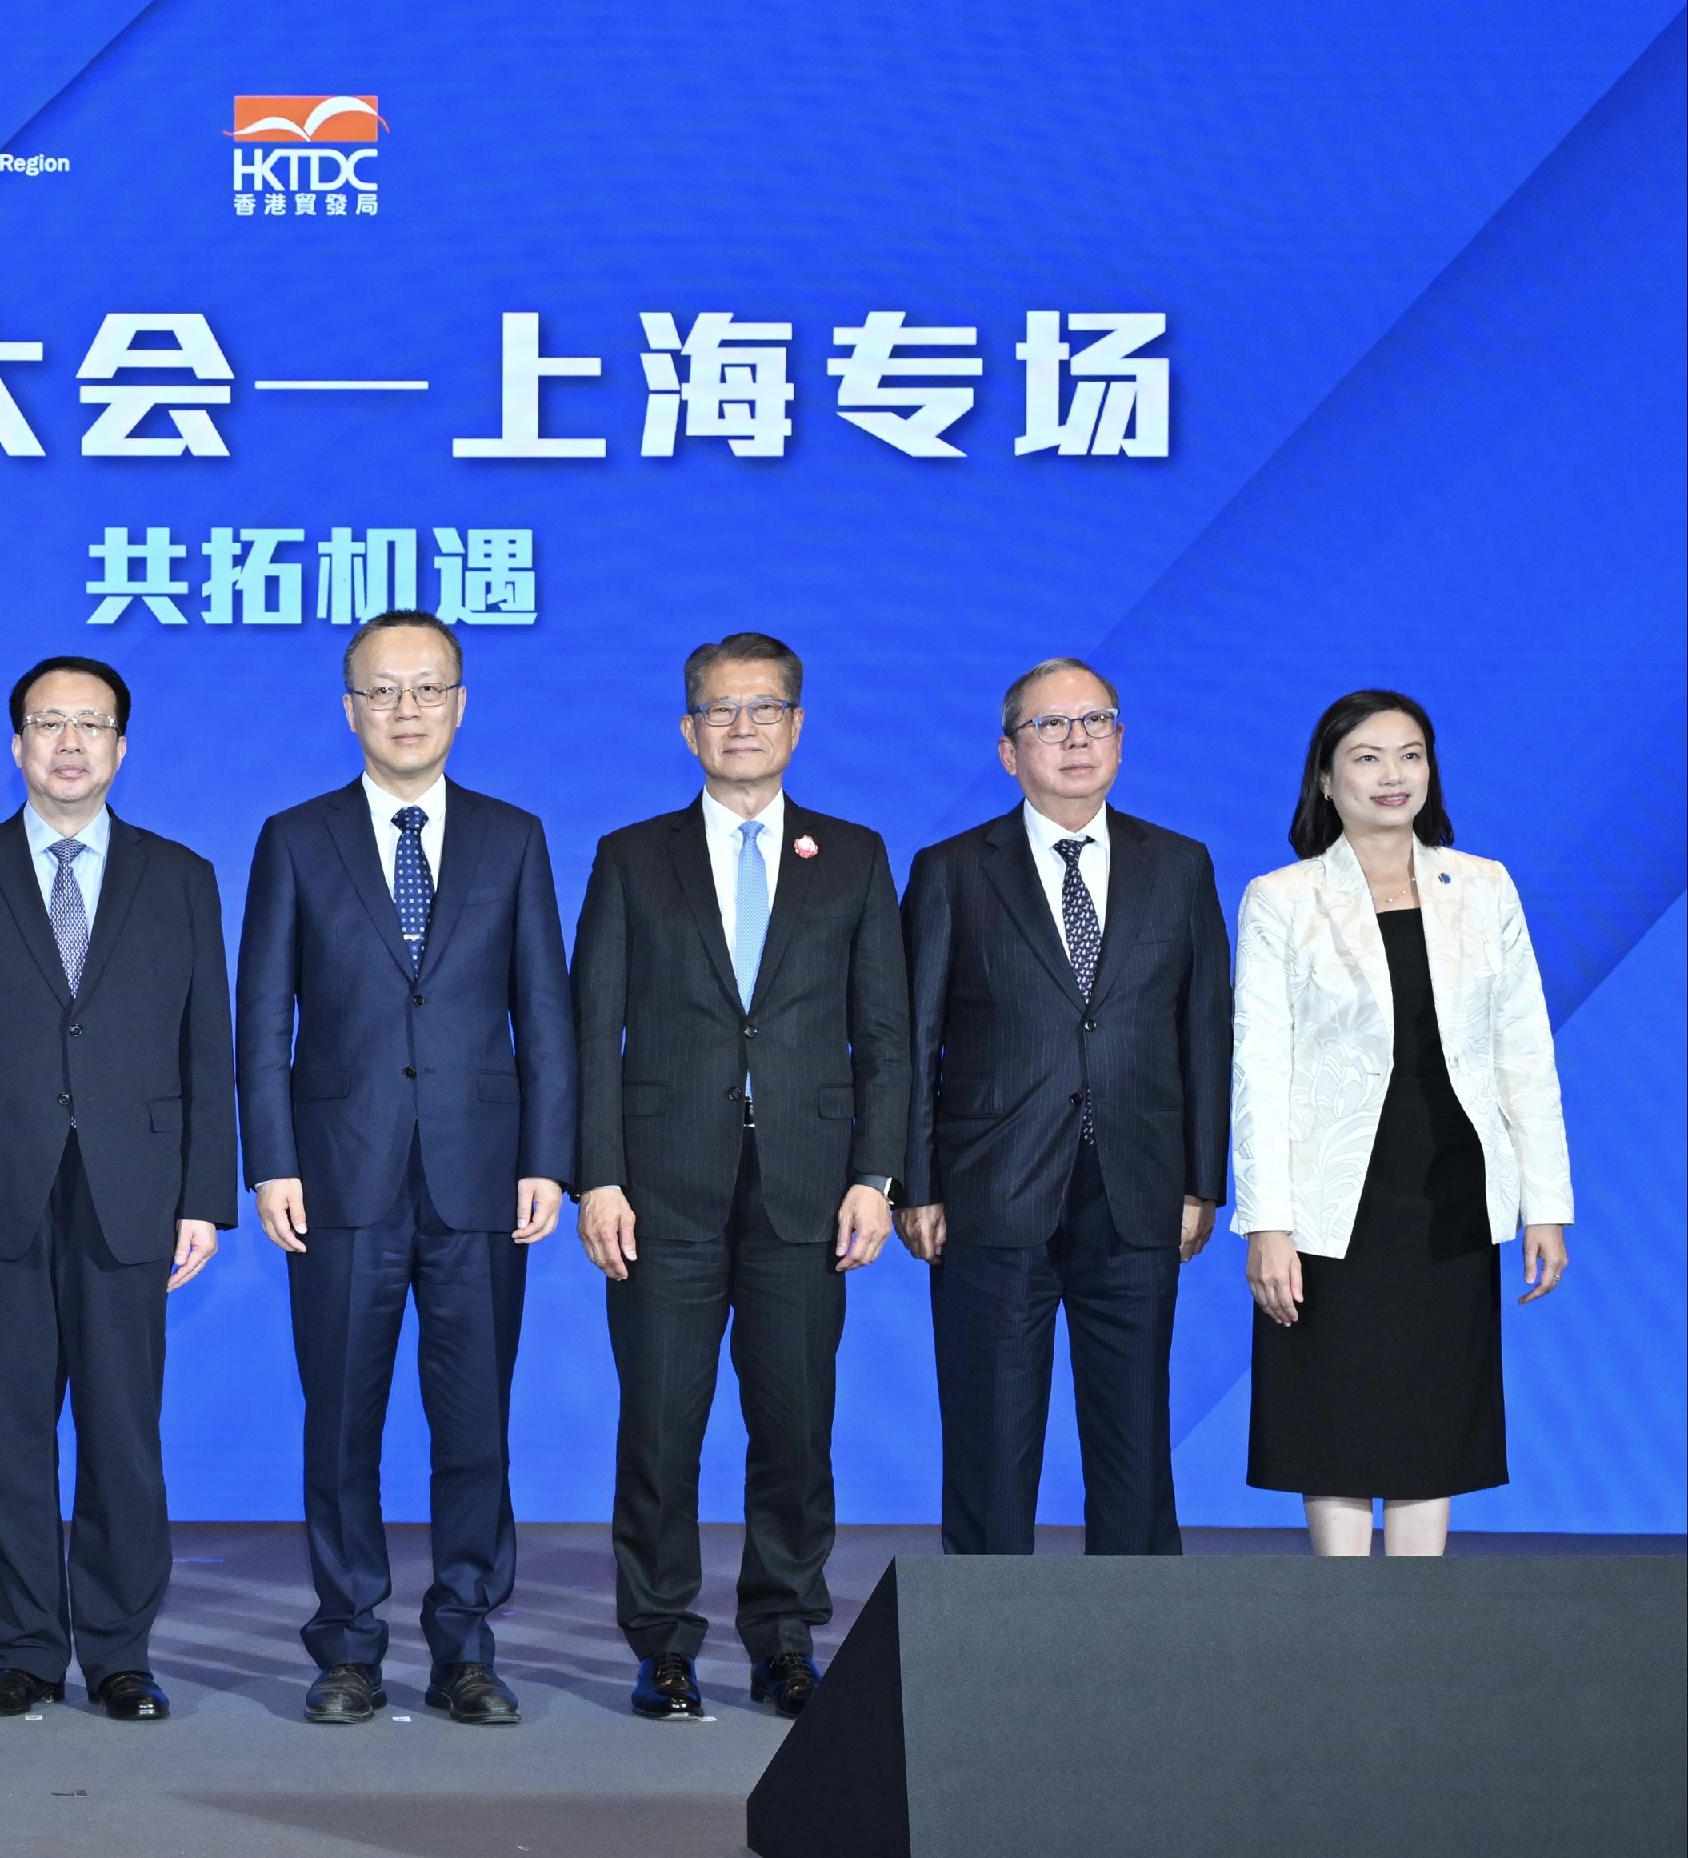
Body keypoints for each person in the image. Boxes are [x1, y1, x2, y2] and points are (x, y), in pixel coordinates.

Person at [236, 612, 573, 1728]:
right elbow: (260, 1019)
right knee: (340, 1425)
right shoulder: (295, 837)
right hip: (336, 1176)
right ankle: (347, 1647)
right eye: (382, 692)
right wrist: (271, 1161)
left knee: (474, 1425)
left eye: (427, 688)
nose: (406, 710)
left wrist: (548, 1159)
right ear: (350, 709)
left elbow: (548, 1014)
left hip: (482, 1177)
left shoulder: (513, 836)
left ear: (461, 701)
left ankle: (466, 1644)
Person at [573, 630, 905, 1721]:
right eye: (720, 708)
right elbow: (590, 1030)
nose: (742, 725)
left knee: (795, 1425)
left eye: (763, 707)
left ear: (797, 725)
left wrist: (877, 1175)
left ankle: (781, 1635)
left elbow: (885, 1036)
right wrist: (597, 1178)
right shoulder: (631, 855)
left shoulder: (853, 856)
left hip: (809, 1192)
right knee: (659, 1429)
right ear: (688, 728)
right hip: (659, 1189)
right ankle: (662, 1640)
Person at [0, 655, 235, 1724]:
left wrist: (204, 1196)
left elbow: (206, 1046)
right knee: (10, 1431)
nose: (70, 743)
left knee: (124, 1431)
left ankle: (122, 1652)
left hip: (134, 1188)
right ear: (15, 745)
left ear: (122, 746)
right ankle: (26, 1651)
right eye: (48, 723)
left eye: (91, 724)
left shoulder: (179, 875)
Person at [900, 659, 1230, 1558]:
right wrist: (913, 1184)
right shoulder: (953, 869)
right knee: (991, 1432)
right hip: (990, 1190)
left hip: (1137, 1184)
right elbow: (912, 1040)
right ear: (1009, 753)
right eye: (1052, 726)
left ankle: (1133, 1637)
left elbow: (1206, 1031)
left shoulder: (1181, 865)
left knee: (1133, 1429)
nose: (1077, 740)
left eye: (1096, 721)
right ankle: (985, 1629)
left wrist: (1204, 1178)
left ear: (1121, 739)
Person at [1234, 690, 1571, 1555]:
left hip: (1451, 1190)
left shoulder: (1484, 886)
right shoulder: (1284, 898)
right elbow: (1260, 1071)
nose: (1394, 775)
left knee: (1434, 1423)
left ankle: (1416, 1630)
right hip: (1333, 1200)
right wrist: (1266, 1222)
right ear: (1325, 776)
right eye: (1369, 757)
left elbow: (1524, 1054)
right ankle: (1346, 1632)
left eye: (1411, 754)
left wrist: (1547, 1204)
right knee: (1334, 1419)